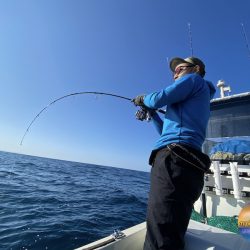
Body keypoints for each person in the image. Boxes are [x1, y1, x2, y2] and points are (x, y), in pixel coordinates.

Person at [133, 57, 216, 250]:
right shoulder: (197, 97)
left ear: (195, 69)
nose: (175, 73)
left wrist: (143, 99)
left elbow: (158, 98)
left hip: (175, 160)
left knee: (161, 235)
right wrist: (152, 113)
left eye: (180, 68)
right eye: (174, 71)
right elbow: (167, 133)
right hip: (186, 162)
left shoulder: (194, 80)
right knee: (170, 229)